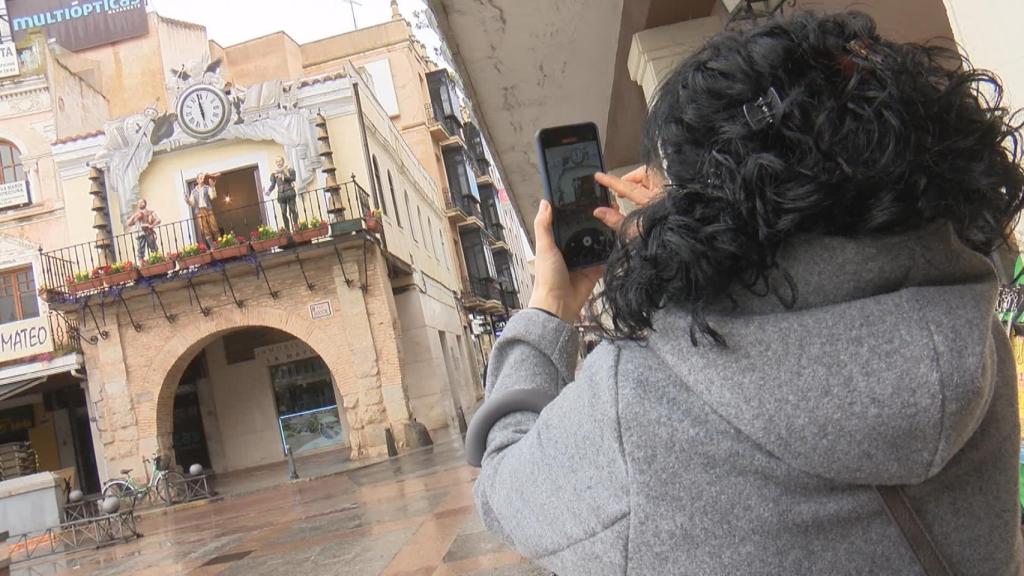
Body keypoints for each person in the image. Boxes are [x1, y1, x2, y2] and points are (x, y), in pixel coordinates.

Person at [466, 11, 1024, 575]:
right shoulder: (973, 327)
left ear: (699, 210)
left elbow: (505, 485)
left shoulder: (636, 405)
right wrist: (686, 237)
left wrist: (551, 309)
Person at [266, 156, 298, 231]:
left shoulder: (289, 170)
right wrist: (269, 191)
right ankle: (287, 230)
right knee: (283, 212)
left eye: (280, 161)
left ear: (283, 161)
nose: (278, 163)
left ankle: (296, 227)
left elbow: (293, 178)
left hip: (289, 191)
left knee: (293, 209)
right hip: (281, 194)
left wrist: (283, 177)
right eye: (277, 162)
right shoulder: (274, 174)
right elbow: (273, 185)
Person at [187, 172, 220, 246]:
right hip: (199, 212)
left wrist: (212, 187)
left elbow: (212, 196)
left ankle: (220, 244)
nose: (202, 179)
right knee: (205, 230)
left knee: (214, 227)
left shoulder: (207, 188)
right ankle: (212, 246)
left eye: (203, 178)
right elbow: (191, 203)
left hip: (208, 209)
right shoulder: (193, 191)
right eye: (201, 178)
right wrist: (187, 200)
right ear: (197, 180)